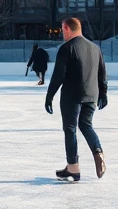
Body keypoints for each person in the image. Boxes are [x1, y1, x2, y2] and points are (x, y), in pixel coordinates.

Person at [44, 17, 107, 182]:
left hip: (72, 96)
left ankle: (73, 167)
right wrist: (104, 93)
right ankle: (98, 151)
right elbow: (102, 73)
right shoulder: (95, 48)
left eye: (62, 30)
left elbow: (58, 75)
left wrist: (49, 96)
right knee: (86, 125)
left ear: (66, 28)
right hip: (92, 94)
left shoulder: (67, 48)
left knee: (70, 129)